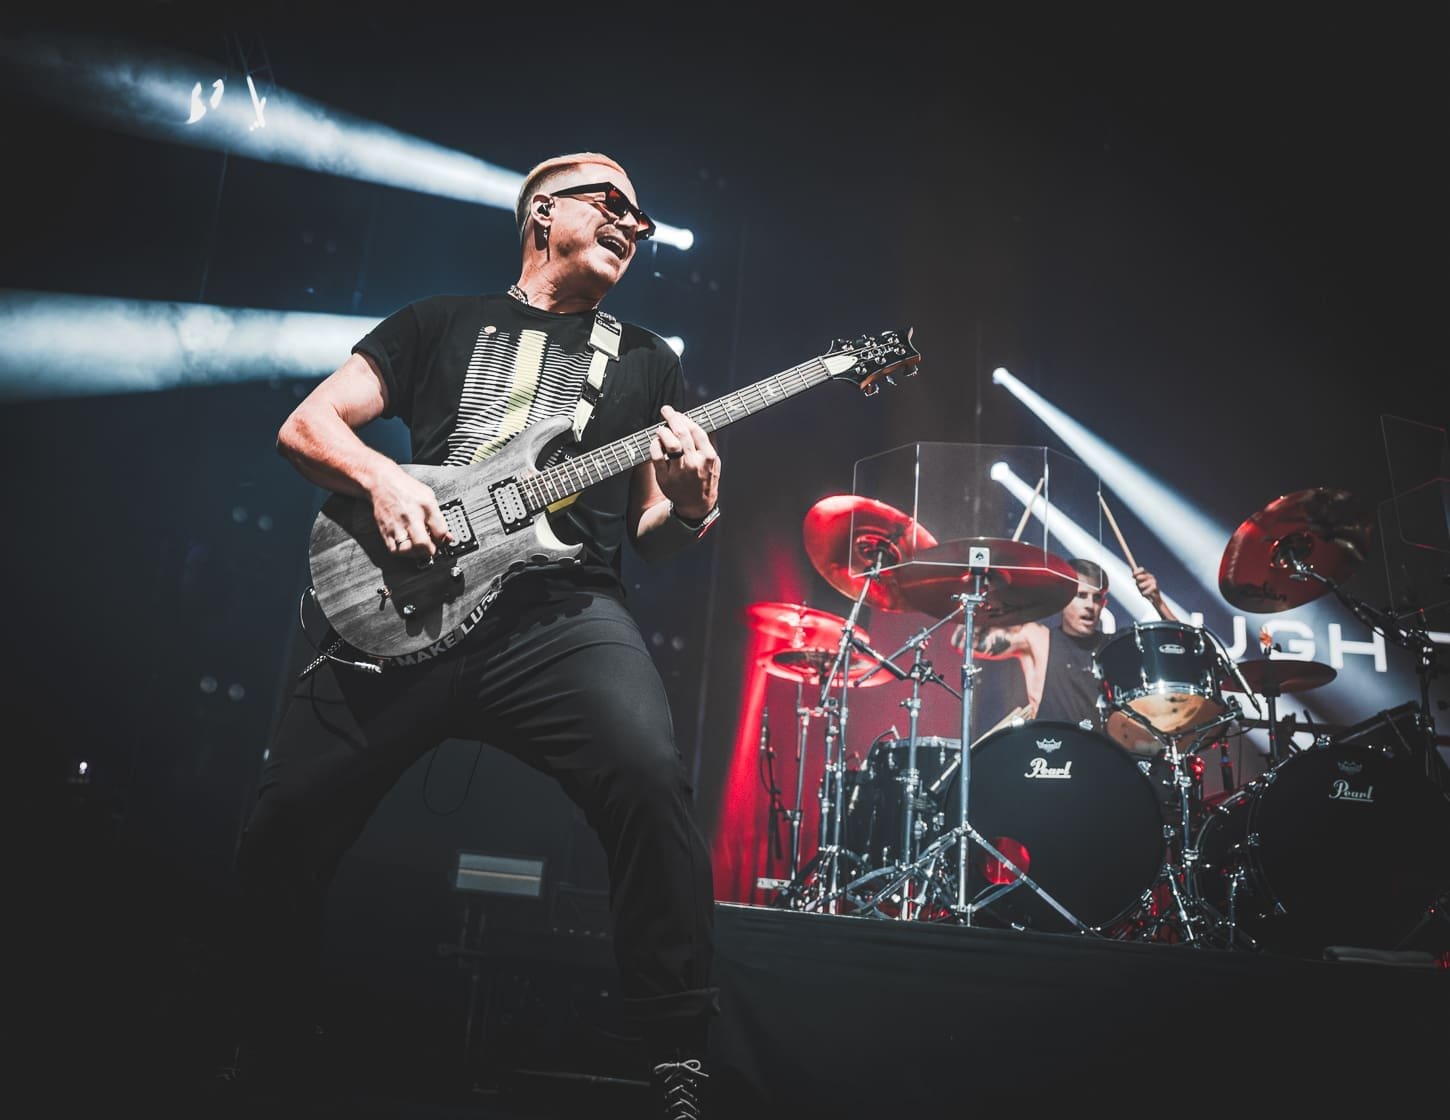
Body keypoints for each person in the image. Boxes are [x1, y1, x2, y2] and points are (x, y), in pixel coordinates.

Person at [221, 152, 720, 1119]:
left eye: (643, 220)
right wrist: (384, 478)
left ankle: (678, 1058)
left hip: (561, 614)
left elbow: (654, 530)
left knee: (650, 777)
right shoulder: (437, 322)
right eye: (612, 204)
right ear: (543, 211)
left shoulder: (648, 357)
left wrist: (694, 503)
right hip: (408, 593)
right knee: (287, 817)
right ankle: (259, 1042)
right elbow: (307, 426)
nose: (633, 225)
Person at [951, 557, 1173, 734]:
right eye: (1081, 596)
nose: (1090, 606)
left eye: (1097, 598)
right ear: (1064, 598)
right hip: (1049, 756)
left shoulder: (1114, 647)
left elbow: (1180, 652)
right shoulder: (1037, 638)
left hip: (1103, 756)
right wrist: (984, 594)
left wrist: (1157, 601)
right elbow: (962, 640)